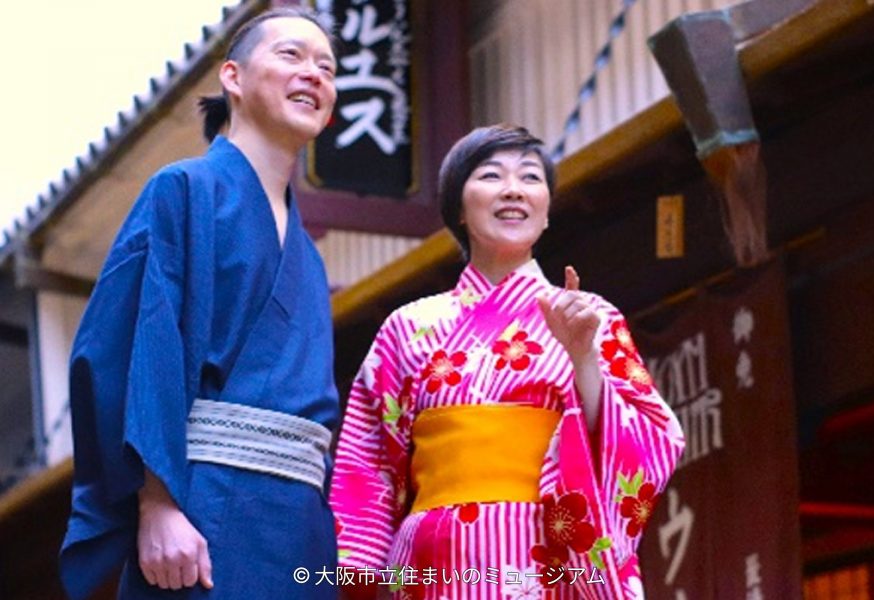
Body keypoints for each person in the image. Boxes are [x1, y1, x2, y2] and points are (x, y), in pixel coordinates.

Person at [329, 125, 685, 599]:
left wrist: (584, 360)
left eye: (531, 178)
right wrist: (361, 578)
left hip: (545, 554)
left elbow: (650, 439)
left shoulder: (591, 316)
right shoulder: (405, 328)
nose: (513, 190)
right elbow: (367, 463)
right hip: (432, 562)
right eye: (491, 175)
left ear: (546, 211)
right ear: (458, 205)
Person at [60, 7, 340, 599]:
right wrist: (156, 502)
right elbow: (131, 348)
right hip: (202, 511)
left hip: (301, 528)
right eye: (291, 56)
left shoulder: (310, 258)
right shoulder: (183, 190)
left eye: (327, 67)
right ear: (232, 78)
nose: (314, 74)